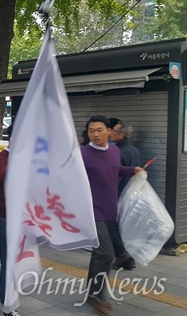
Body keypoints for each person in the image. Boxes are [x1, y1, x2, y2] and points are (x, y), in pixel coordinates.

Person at [81, 116, 143, 315]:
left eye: (99, 130)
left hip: (109, 209)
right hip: (92, 211)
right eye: (91, 131)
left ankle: (91, 294)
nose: (96, 134)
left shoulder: (115, 151)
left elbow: (115, 171)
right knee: (106, 254)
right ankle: (98, 297)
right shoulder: (82, 154)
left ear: (109, 131)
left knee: (99, 255)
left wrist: (131, 170)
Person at [0, 124, 20, 316]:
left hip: (24, 217)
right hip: (5, 216)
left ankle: (3, 286)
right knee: (8, 262)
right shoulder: (0, 158)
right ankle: (7, 306)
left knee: (18, 260)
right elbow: (5, 175)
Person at [108, 119, 141, 270]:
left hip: (117, 193)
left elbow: (116, 175)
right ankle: (129, 259)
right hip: (130, 193)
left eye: (114, 131)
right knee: (125, 226)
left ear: (122, 134)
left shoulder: (117, 151)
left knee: (112, 225)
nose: (111, 134)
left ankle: (122, 254)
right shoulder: (134, 150)